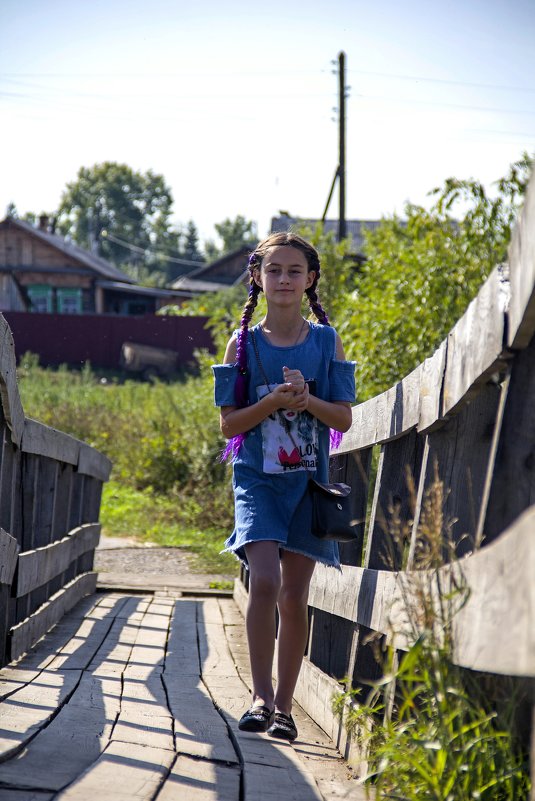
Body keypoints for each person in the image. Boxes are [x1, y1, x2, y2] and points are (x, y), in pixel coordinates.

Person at [212, 232, 355, 742]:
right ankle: (260, 697)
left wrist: (306, 400)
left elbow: (344, 416)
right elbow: (229, 426)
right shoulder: (242, 343)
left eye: (295, 271)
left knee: (295, 596)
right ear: (258, 277)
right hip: (256, 480)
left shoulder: (326, 341)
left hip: (308, 485)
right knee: (266, 581)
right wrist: (272, 401)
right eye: (274, 271)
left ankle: (287, 710)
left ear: (310, 279)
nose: (284, 280)